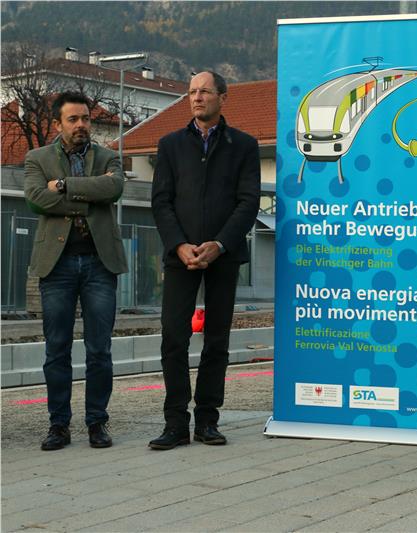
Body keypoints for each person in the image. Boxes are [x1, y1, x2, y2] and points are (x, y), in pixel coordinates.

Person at [149, 71, 260, 450]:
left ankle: (208, 420)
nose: (197, 98)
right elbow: (161, 202)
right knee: (173, 338)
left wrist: (220, 244)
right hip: (180, 257)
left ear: (222, 97)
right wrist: (179, 245)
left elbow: (248, 202)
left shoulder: (243, 145)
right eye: (192, 92)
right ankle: (175, 423)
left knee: (216, 340)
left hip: (223, 256)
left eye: (204, 91)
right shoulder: (170, 145)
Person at [24, 91, 127, 450]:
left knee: (100, 349)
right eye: (73, 119)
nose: (82, 124)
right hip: (57, 266)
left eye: (85, 118)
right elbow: (37, 199)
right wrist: (90, 198)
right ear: (58, 124)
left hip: (100, 263)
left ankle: (97, 422)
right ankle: (59, 425)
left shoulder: (108, 156)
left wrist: (66, 187)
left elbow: (113, 188)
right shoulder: (37, 158)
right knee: (57, 349)